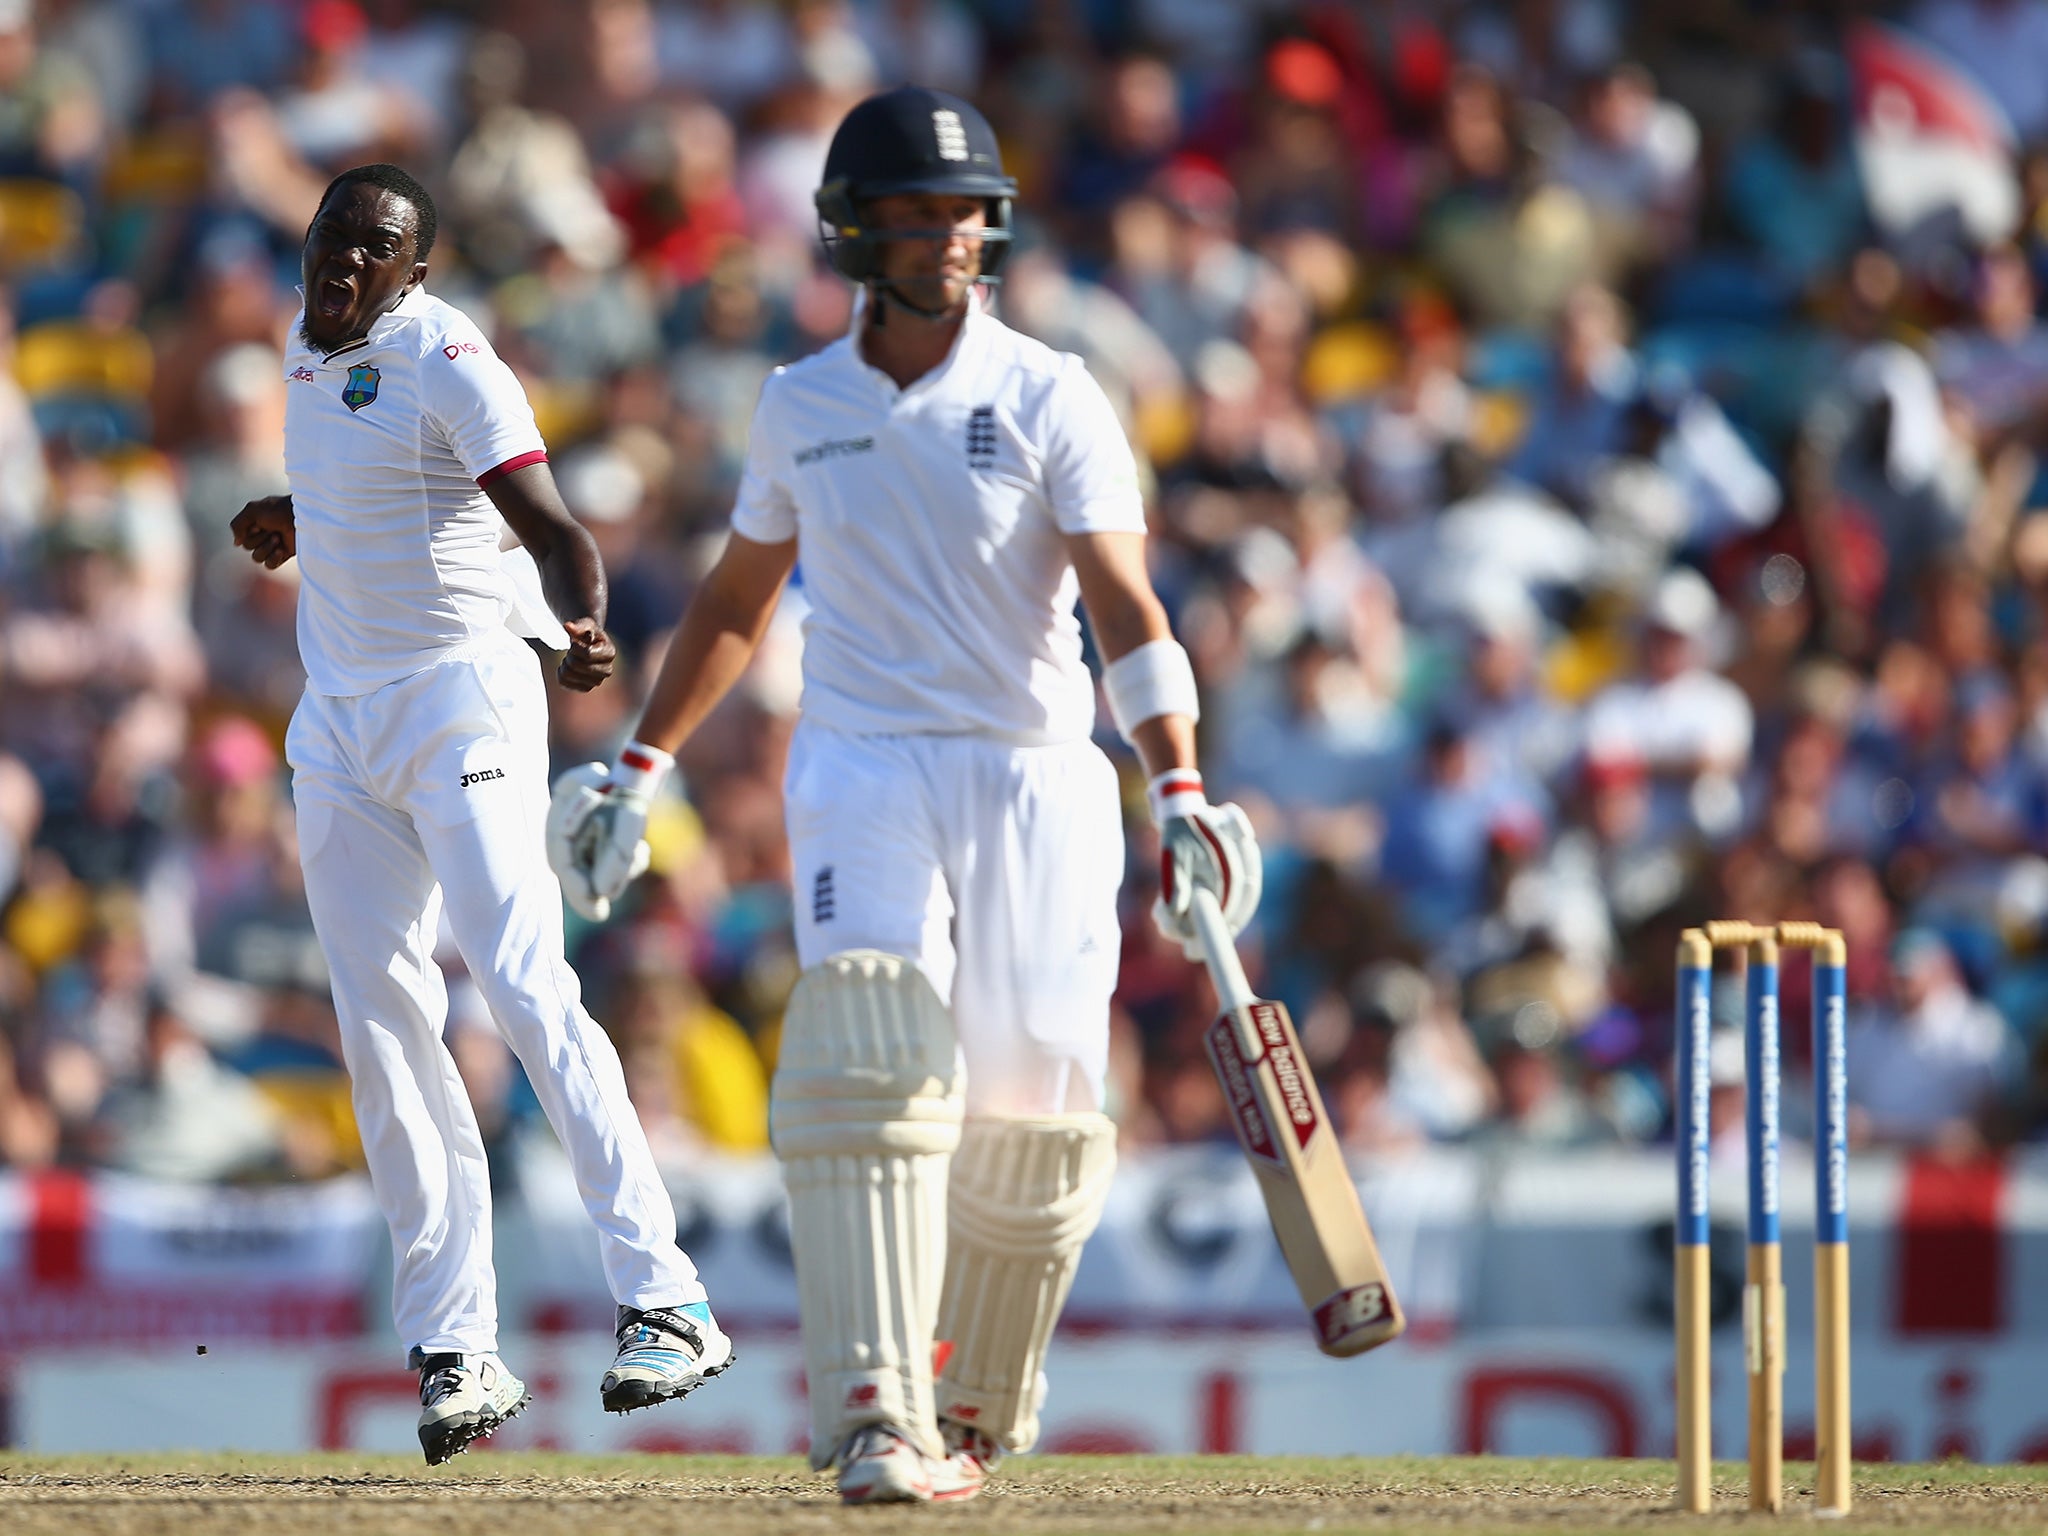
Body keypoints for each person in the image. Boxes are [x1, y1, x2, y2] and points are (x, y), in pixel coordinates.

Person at [547, 88, 1260, 1504]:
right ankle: (874, 1407)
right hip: (862, 757)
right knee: (868, 1047)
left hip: (1038, 768)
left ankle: (978, 1404)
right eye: (914, 213)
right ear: (853, 231)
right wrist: (642, 767)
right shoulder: (799, 403)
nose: (943, 237)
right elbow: (742, 601)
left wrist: (1176, 783)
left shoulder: (1053, 391)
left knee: (1037, 1104)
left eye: (961, 213)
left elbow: (1126, 602)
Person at [228, 163, 731, 1467]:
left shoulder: (451, 357)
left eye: (378, 248)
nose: (347, 261)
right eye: (334, 236)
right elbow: (376, 483)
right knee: (382, 1018)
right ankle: (458, 1346)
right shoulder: (298, 345)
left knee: (517, 980)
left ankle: (666, 1299)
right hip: (341, 723)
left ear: (417, 271)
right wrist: (309, 521)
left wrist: (586, 625)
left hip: (464, 700)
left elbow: (558, 532)